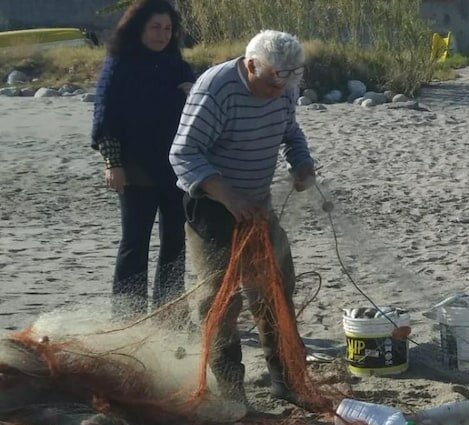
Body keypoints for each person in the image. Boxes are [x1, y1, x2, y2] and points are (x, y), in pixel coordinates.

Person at [169, 30, 316, 404]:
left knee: (276, 288)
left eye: (289, 81)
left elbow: (290, 131)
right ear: (251, 65)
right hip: (213, 206)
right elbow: (183, 154)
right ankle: (232, 389)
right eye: (272, 83)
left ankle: (287, 380)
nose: (280, 91)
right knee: (220, 300)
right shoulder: (215, 90)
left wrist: (301, 163)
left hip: (258, 204)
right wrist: (229, 196)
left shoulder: (286, 83)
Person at [91, 0, 195, 318]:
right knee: (135, 242)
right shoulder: (120, 63)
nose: (162, 34)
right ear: (138, 27)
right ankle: (128, 314)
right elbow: (106, 116)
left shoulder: (175, 62)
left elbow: (198, 107)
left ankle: (169, 311)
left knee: (175, 243)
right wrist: (113, 164)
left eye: (167, 28)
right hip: (134, 167)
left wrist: (194, 90)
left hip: (177, 166)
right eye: (155, 27)